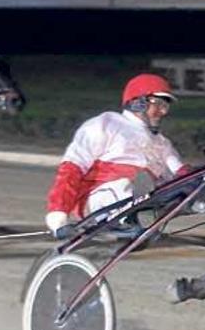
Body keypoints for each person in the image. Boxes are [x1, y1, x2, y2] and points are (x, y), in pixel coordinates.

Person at [44, 73, 189, 237]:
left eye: (166, 106)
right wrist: (58, 218)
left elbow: (183, 174)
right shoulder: (105, 124)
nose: (163, 111)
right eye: (158, 103)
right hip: (94, 202)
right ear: (138, 103)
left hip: (139, 199)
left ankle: (133, 219)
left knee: (172, 185)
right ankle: (121, 221)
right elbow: (71, 170)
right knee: (131, 182)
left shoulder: (162, 142)